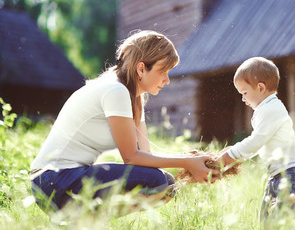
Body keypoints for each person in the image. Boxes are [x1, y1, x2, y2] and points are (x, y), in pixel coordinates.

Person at [30, 30, 218, 212]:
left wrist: (190, 159)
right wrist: (186, 163)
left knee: (167, 184)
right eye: (163, 71)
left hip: (65, 178)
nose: (167, 80)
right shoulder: (116, 91)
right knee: (157, 182)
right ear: (141, 68)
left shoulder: (132, 97)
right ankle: (84, 223)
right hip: (53, 179)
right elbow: (131, 157)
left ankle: (83, 223)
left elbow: (145, 155)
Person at [217, 57, 295, 227]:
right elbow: (258, 143)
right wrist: (232, 150)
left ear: (260, 88)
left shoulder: (272, 109)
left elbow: (257, 140)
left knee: (285, 216)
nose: (243, 99)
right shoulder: (265, 109)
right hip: (277, 174)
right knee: (267, 218)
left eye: (244, 93)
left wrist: (231, 155)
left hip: (292, 172)